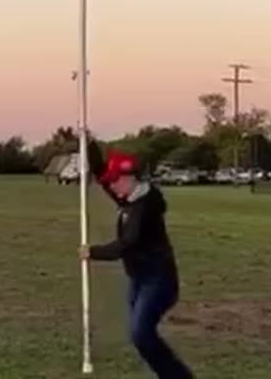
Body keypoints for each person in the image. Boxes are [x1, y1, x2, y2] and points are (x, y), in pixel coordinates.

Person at [80, 142, 193, 379]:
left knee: (141, 334)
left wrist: (92, 252)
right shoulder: (128, 196)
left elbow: (127, 243)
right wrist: (86, 140)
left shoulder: (145, 206)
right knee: (141, 337)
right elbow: (100, 173)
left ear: (129, 177)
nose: (111, 186)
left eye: (115, 180)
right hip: (139, 279)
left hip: (158, 281)